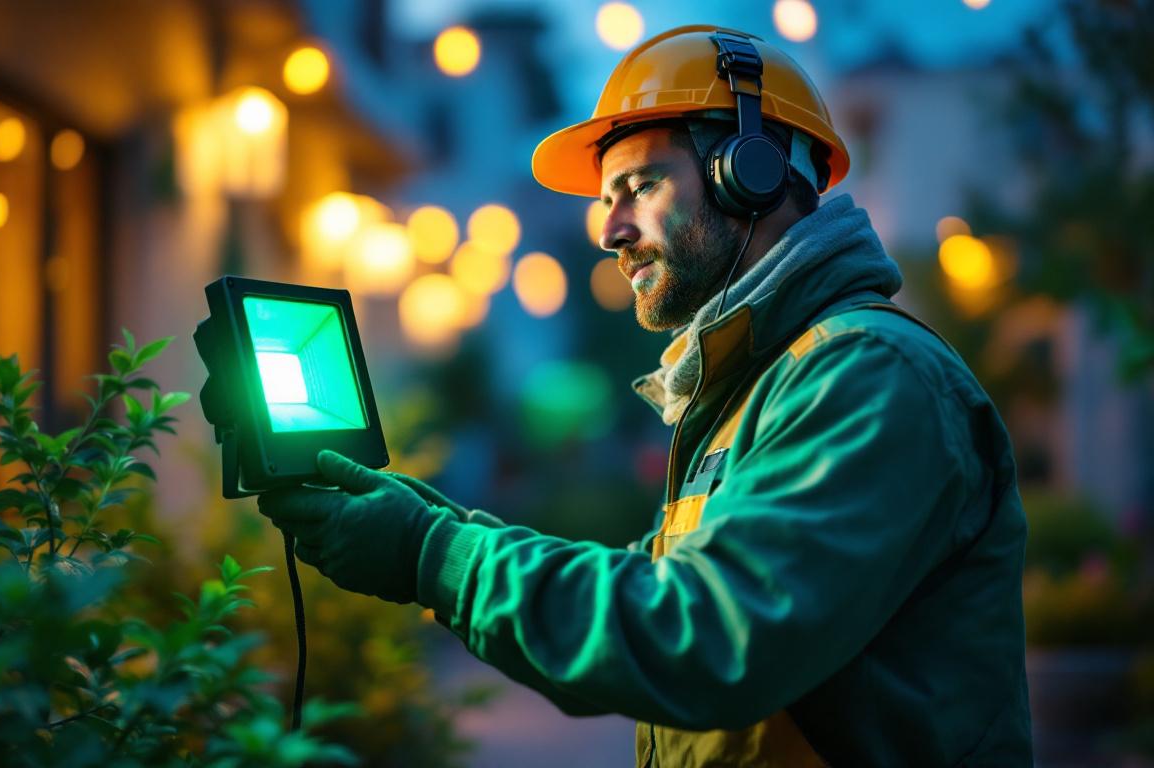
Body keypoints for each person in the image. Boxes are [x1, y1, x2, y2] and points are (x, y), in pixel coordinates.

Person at [259, 25, 1032, 766]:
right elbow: (654, 590)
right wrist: (439, 524)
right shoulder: (759, 385)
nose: (610, 230)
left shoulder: (865, 374)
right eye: (606, 199)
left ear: (750, 171)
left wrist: (428, 555)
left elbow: (706, 632)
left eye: (640, 186)